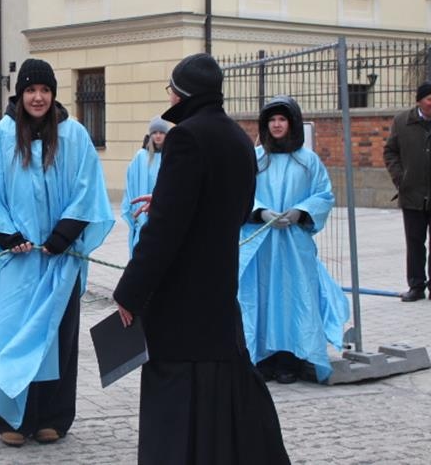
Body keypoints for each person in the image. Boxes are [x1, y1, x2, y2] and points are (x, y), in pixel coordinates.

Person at [112, 54, 290, 464]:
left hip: (180, 300)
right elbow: (237, 208)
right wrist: (167, 199)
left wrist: (129, 292)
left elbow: (164, 232)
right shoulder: (239, 139)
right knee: (217, 392)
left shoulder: (186, 137)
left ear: (183, 94)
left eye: (171, 90)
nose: (169, 97)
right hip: (219, 290)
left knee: (175, 401)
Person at [0, 58, 114, 447]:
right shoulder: (0, 138)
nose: (38, 97)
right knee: (10, 334)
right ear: (20, 94)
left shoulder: (74, 135)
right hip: (17, 262)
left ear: (53, 94)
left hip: (61, 260)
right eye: (30, 90)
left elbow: (87, 189)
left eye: (44, 90)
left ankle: (53, 416)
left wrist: (64, 234)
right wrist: (8, 235)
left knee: (58, 338)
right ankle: (11, 416)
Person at [238, 96, 350, 385]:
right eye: (272, 120)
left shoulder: (308, 161)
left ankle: (290, 359)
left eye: (282, 119)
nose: (277, 125)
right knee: (262, 298)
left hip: (293, 244)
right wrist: (260, 211)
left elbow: (323, 194)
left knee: (293, 298)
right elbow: (240, 192)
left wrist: (301, 211)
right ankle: (263, 358)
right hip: (262, 245)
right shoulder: (255, 159)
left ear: (292, 123)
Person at [384, 81, 431, 302]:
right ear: (419, 100)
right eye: (429, 99)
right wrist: (400, 179)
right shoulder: (402, 121)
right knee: (414, 243)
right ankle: (416, 286)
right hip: (412, 193)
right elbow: (390, 151)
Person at [120, 116, 173, 256]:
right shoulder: (141, 156)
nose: (158, 136)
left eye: (161, 132)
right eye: (155, 132)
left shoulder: (171, 156)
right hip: (143, 214)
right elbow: (131, 182)